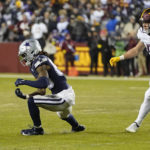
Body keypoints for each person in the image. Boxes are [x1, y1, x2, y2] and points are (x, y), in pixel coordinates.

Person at [14, 39, 85, 136]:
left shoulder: (39, 61)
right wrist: (26, 95)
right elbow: (42, 90)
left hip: (63, 96)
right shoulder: (38, 60)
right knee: (63, 114)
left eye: (25, 55)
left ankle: (37, 129)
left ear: (32, 51)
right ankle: (76, 127)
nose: (23, 58)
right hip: (66, 94)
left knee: (32, 101)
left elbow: (43, 83)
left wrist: (24, 82)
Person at [109, 8, 150, 133]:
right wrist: (119, 58)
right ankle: (136, 124)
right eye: (144, 22)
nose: (145, 25)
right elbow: (136, 50)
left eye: (148, 23)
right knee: (148, 97)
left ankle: (136, 124)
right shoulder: (144, 33)